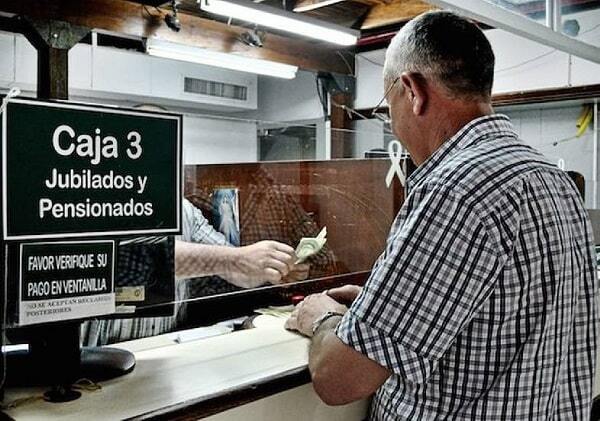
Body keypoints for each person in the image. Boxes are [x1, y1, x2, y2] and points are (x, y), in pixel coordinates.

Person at [286, 11, 598, 420]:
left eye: (387, 107)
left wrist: (322, 317)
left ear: (413, 91)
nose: (393, 125)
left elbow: (340, 378)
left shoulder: (454, 190)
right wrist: (382, 307)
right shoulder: (554, 181)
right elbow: (505, 314)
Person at [82, 198, 308, 346]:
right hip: (99, 353)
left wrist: (271, 269)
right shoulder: (98, 203)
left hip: (165, 348)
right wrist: (239, 259)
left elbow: (236, 271)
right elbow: (132, 261)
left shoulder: (185, 210)